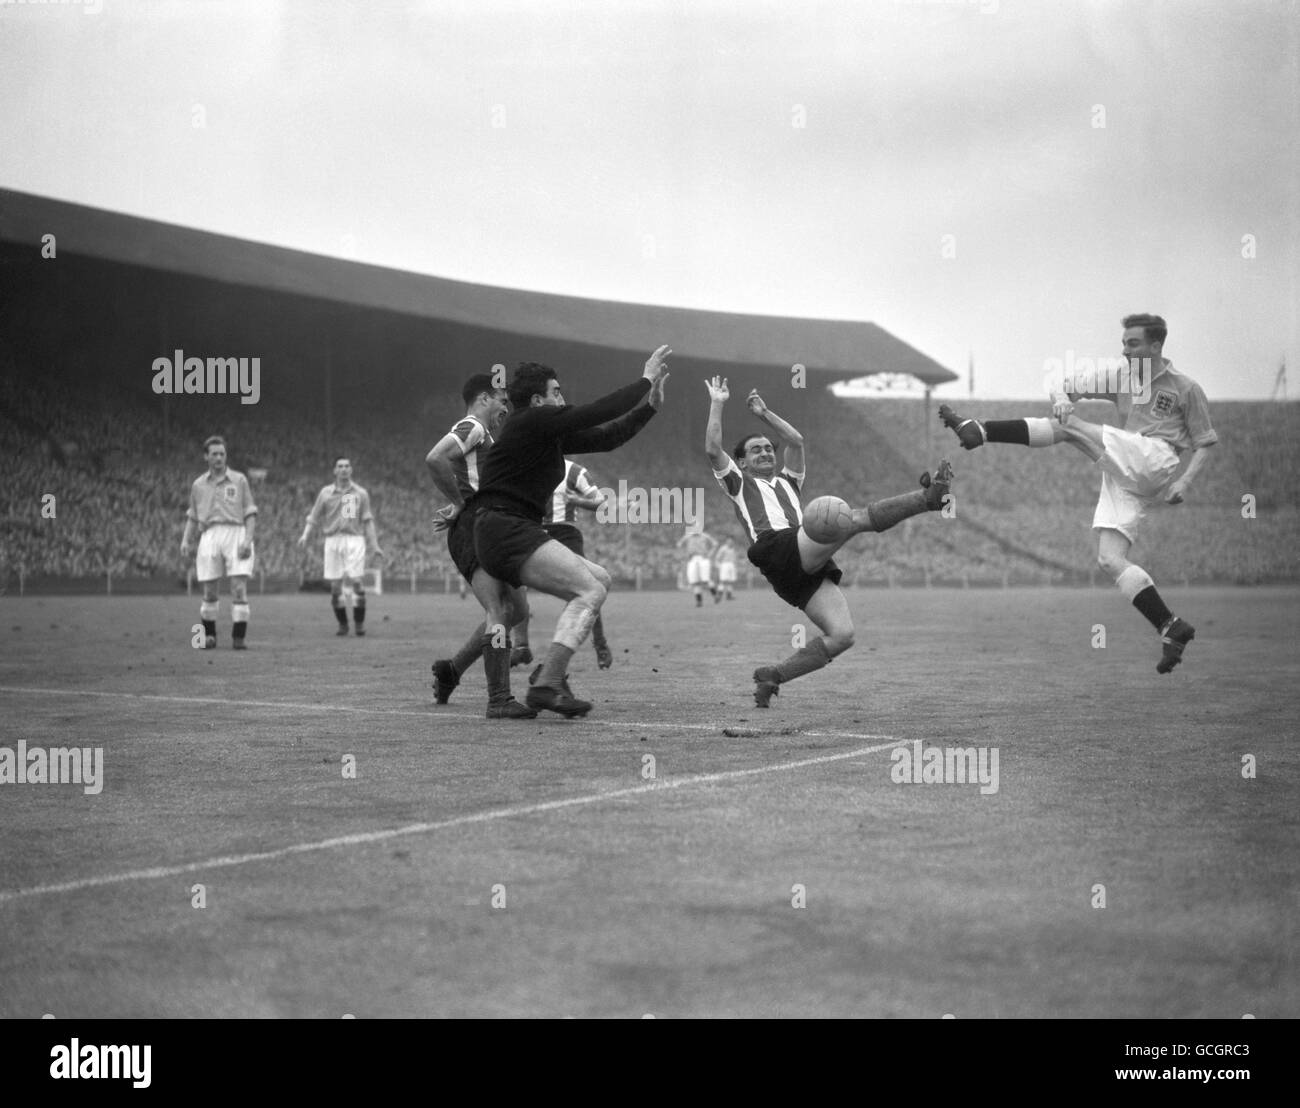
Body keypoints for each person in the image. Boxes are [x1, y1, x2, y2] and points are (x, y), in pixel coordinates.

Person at [938, 313, 1216, 673]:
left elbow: (1205, 443)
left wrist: (1184, 481)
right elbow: (1062, 386)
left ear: (1156, 345)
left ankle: (981, 430)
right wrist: (1061, 400)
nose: (1125, 350)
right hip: (1126, 470)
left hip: (1154, 457)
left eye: (1133, 343)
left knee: (1069, 430)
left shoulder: (1186, 388)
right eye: (1124, 343)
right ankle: (1170, 626)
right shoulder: (1120, 376)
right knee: (1110, 559)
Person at [704, 376, 952, 706]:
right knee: (851, 519)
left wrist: (764, 413)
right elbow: (712, 448)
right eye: (755, 450)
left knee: (843, 635)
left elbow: (796, 441)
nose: (765, 452)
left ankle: (773, 675)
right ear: (743, 461)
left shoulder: (789, 482)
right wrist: (718, 402)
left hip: (796, 567)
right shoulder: (737, 481)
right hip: (776, 548)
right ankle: (927, 499)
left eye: (767, 448)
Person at [470, 347, 670, 718]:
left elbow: (607, 436)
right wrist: (645, 379)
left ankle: (545, 678)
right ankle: (547, 681)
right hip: (504, 527)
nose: (562, 399)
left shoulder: (545, 435)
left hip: (509, 528)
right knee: (588, 589)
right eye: (556, 392)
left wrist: (650, 407)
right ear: (536, 400)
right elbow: (596, 412)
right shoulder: (530, 421)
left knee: (600, 579)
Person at [426, 373, 533, 716]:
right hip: (473, 527)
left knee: (518, 610)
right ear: (485, 398)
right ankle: (499, 699)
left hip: (489, 526)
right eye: (503, 400)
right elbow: (435, 458)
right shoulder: (471, 425)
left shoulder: (484, 436)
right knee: (499, 610)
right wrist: (460, 504)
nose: (506, 408)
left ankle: (452, 671)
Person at [510, 459, 614, 670]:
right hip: (532, 531)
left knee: (589, 587)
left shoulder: (574, 471)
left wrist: (575, 499)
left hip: (565, 533)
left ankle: (600, 643)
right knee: (511, 587)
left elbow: (601, 502)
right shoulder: (525, 465)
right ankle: (520, 646)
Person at [180, 435, 257, 651]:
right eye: (214, 454)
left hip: (236, 533)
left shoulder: (239, 480)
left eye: (222, 454)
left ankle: (239, 638)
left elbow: (250, 513)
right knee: (209, 591)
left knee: (238, 588)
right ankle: (209, 636)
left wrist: (247, 540)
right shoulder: (198, 485)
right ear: (206, 456)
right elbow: (193, 516)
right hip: (210, 535)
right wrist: (186, 540)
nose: (219, 458)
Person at [297, 458, 383, 636]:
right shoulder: (325, 493)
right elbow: (313, 516)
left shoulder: (360, 493)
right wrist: (305, 535)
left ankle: (359, 625)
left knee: (358, 582)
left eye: (347, 466)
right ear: (334, 471)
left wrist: (375, 546)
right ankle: (343, 624)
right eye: (340, 466)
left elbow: (368, 521)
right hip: (332, 541)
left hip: (354, 540)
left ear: (351, 470)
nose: (343, 469)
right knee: (336, 587)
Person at [676, 526, 718, 605]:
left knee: (705, 580)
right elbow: (679, 544)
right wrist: (685, 554)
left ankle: (715, 595)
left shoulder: (705, 536)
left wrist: (710, 554)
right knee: (694, 582)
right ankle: (699, 601)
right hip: (692, 559)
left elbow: (715, 544)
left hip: (703, 558)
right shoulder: (688, 536)